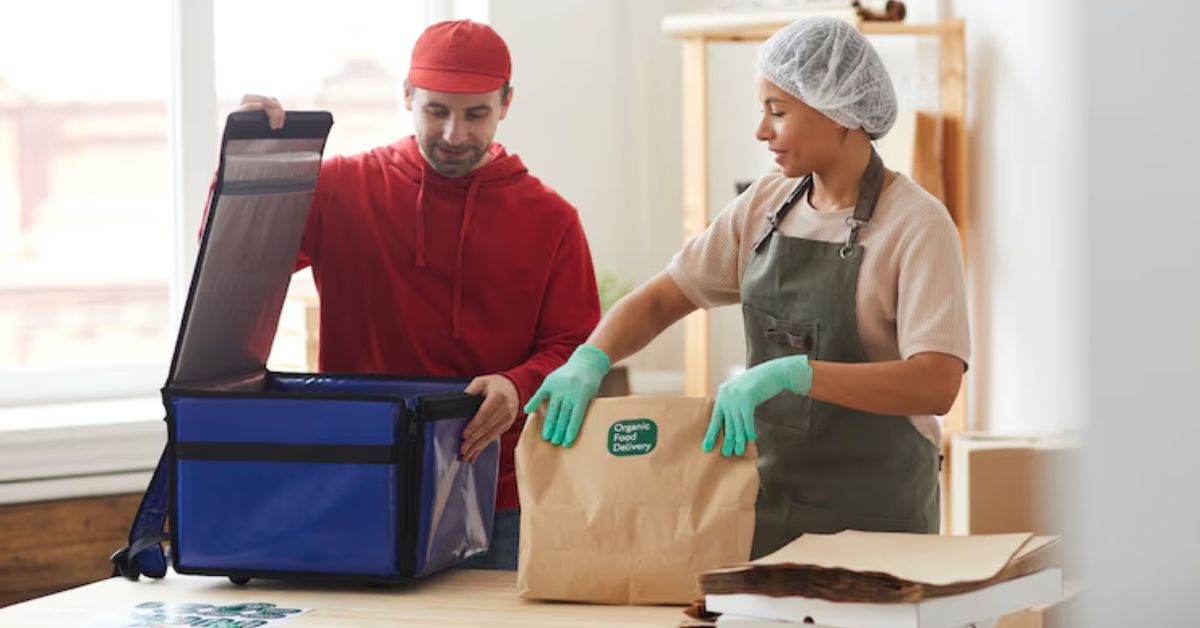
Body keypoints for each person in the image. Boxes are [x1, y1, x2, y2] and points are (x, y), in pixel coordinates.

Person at [525, 17, 969, 558]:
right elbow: (666, 296)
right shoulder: (765, 206)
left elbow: (937, 383)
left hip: (877, 518)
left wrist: (796, 374)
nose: (762, 132)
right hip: (763, 507)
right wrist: (591, 357)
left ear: (838, 113)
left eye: (777, 112)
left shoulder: (916, 225)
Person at [237, 20, 600, 569]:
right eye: (437, 111)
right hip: (361, 479)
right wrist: (249, 161)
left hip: (497, 495)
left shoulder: (552, 220)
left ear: (505, 103)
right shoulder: (339, 189)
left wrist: (517, 383)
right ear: (407, 95)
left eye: (476, 114)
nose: (455, 134)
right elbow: (237, 262)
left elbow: (576, 345)